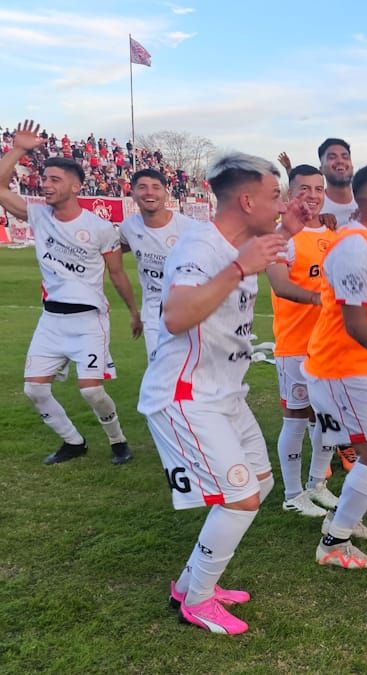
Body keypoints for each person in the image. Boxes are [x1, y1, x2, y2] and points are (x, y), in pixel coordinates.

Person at [139, 151, 309, 634]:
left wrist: (290, 230)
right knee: (240, 498)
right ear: (247, 198)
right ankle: (197, 600)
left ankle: (190, 582)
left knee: (260, 483)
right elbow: (174, 317)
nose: (281, 206)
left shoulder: (241, 240)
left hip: (225, 393)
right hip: (185, 395)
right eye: (276, 197)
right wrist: (237, 270)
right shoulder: (200, 248)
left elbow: (257, 251)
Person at [0, 120, 138, 466]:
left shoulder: (99, 228)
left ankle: (118, 441)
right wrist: (18, 149)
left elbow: (118, 275)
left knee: (92, 390)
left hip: (88, 321)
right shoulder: (37, 215)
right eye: (44, 179)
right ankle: (73, 442)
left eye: (54, 180)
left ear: (76, 186)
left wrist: (134, 312)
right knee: (34, 389)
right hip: (51, 321)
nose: (45, 185)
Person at [306, 164, 367, 570]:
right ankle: (334, 540)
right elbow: (355, 324)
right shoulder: (356, 246)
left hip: (364, 367)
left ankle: (343, 521)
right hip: (344, 369)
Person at [266, 164, 338, 518]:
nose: (312, 196)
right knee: (295, 419)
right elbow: (279, 284)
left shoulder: (333, 234)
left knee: (328, 419)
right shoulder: (281, 238)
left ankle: (317, 485)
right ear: (289, 194)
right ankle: (293, 494)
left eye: (318, 189)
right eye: (304, 189)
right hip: (295, 345)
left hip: (330, 347)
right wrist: (316, 299)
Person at [118, 168, 202, 358]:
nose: (149, 192)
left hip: (190, 308)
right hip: (154, 312)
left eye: (156, 187)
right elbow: (112, 253)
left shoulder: (189, 228)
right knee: (159, 371)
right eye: (142, 187)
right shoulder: (129, 227)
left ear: (166, 192)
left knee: (194, 373)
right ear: (132, 193)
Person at [318, 138, 356, 226]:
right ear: (321, 169)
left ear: (352, 166)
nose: (340, 161)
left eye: (345, 157)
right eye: (332, 157)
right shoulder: (315, 207)